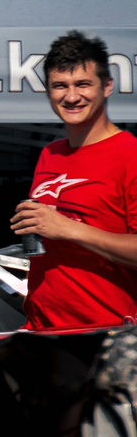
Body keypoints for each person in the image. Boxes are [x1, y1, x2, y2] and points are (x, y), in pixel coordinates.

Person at [11, 32, 137, 331]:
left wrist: (68, 228)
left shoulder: (130, 154)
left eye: (83, 84)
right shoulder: (50, 153)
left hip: (107, 334)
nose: (71, 97)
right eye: (60, 86)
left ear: (107, 86)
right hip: (43, 329)